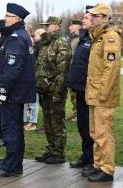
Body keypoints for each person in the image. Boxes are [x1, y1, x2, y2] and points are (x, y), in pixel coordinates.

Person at [0, 3, 36, 177]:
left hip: (13, 93)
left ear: (16, 19)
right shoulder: (19, 35)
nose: (5, 18)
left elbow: (12, 68)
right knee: (14, 129)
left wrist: (2, 91)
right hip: (17, 92)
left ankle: (11, 166)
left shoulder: (16, 37)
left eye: (7, 15)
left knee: (11, 130)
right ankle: (14, 164)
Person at [84, 3, 122, 182]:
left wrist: (104, 93)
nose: (92, 18)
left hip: (102, 95)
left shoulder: (111, 36)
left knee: (103, 133)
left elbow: (111, 68)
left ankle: (107, 170)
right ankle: (98, 165)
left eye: (97, 16)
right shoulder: (98, 36)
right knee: (95, 132)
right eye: (92, 15)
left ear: (106, 18)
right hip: (94, 93)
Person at [35, 16, 72, 164]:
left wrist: (58, 92)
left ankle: (59, 153)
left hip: (55, 92)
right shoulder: (47, 43)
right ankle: (51, 150)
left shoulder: (61, 44)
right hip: (44, 90)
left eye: (48, 25)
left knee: (57, 123)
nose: (46, 27)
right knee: (48, 123)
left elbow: (62, 72)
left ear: (56, 26)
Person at [66, 6, 94, 171]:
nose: (83, 20)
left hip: (91, 90)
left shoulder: (97, 40)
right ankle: (86, 157)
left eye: (86, 18)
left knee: (93, 128)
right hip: (80, 89)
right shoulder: (84, 38)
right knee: (83, 126)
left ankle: (93, 160)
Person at [67, 19, 83, 122]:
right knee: (72, 94)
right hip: (70, 70)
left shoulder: (79, 39)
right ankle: (75, 113)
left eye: (72, 25)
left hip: (75, 71)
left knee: (76, 94)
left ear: (78, 27)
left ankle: (79, 115)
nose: (69, 27)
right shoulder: (73, 39)